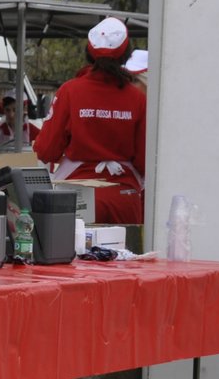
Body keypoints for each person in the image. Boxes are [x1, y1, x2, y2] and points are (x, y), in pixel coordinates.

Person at [33, 16, 146, 224]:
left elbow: (46, 149)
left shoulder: (70, 91)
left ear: (89, 52)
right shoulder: (138, 98)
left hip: (77, 198)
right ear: (126, 53)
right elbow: (143, 161)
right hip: (124, 200)